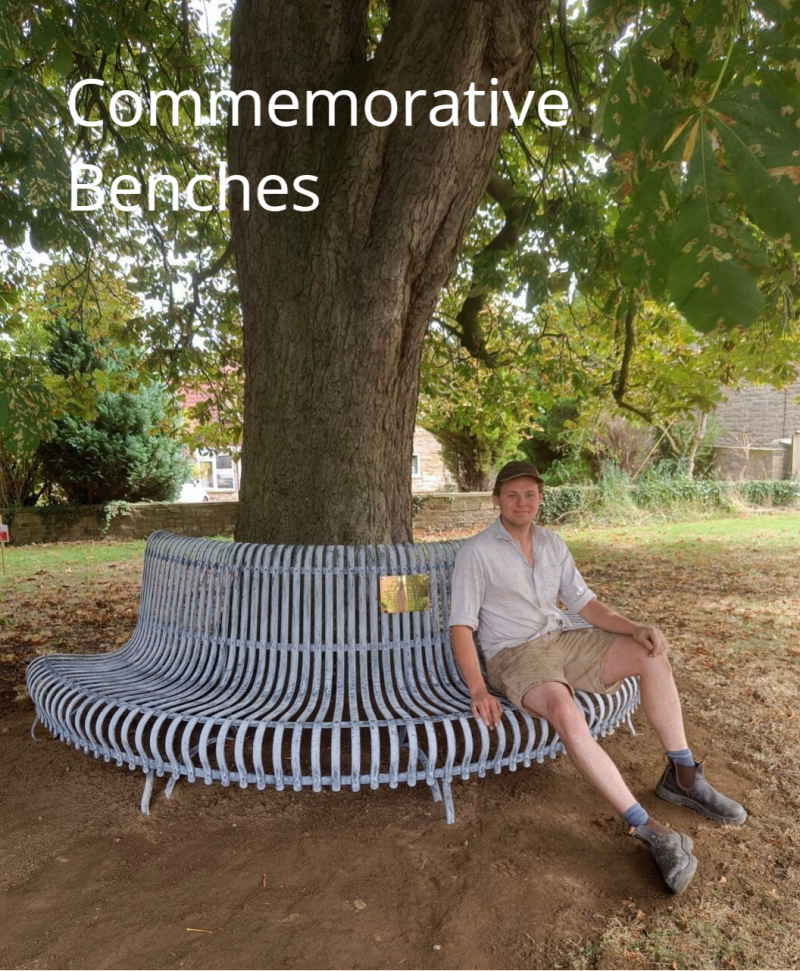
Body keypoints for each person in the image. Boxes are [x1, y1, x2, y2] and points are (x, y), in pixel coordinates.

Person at [448, 460, 747, 894]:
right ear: (496, 500)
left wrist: (633, 628)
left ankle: (683, 776)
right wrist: (478, 688)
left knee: (651, 655)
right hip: (517, 654)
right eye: (512, 494)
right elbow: (462, 626)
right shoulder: (476, 552)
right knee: (568, 716)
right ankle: (649, 829)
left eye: (530, 494)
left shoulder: (552, 543)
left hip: (565, 639)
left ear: (540, 498)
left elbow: (585, 605)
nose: (521, 502)